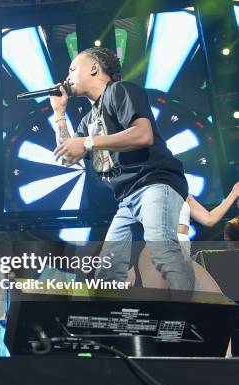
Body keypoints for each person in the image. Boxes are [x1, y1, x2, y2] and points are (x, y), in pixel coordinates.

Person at [51, 47, 193, 290]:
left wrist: (87, 142)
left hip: (154, 182)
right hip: (126, 198)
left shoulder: (120, 90)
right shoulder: (88, 119)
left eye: (73, 69)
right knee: (107, 272)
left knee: (162, 250)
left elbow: (143, 134)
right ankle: (111, 325)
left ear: (94, 68)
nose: (67, 76)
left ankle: (195, 316)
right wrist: (59, 114)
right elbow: (67, 157)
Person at [128, 182, 239, 291]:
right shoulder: (148, 190)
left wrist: (233, 193)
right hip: (160, 251)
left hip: (182, 252)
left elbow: (209, 219)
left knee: (215, 299)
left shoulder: (183, 192)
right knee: (161, 303)